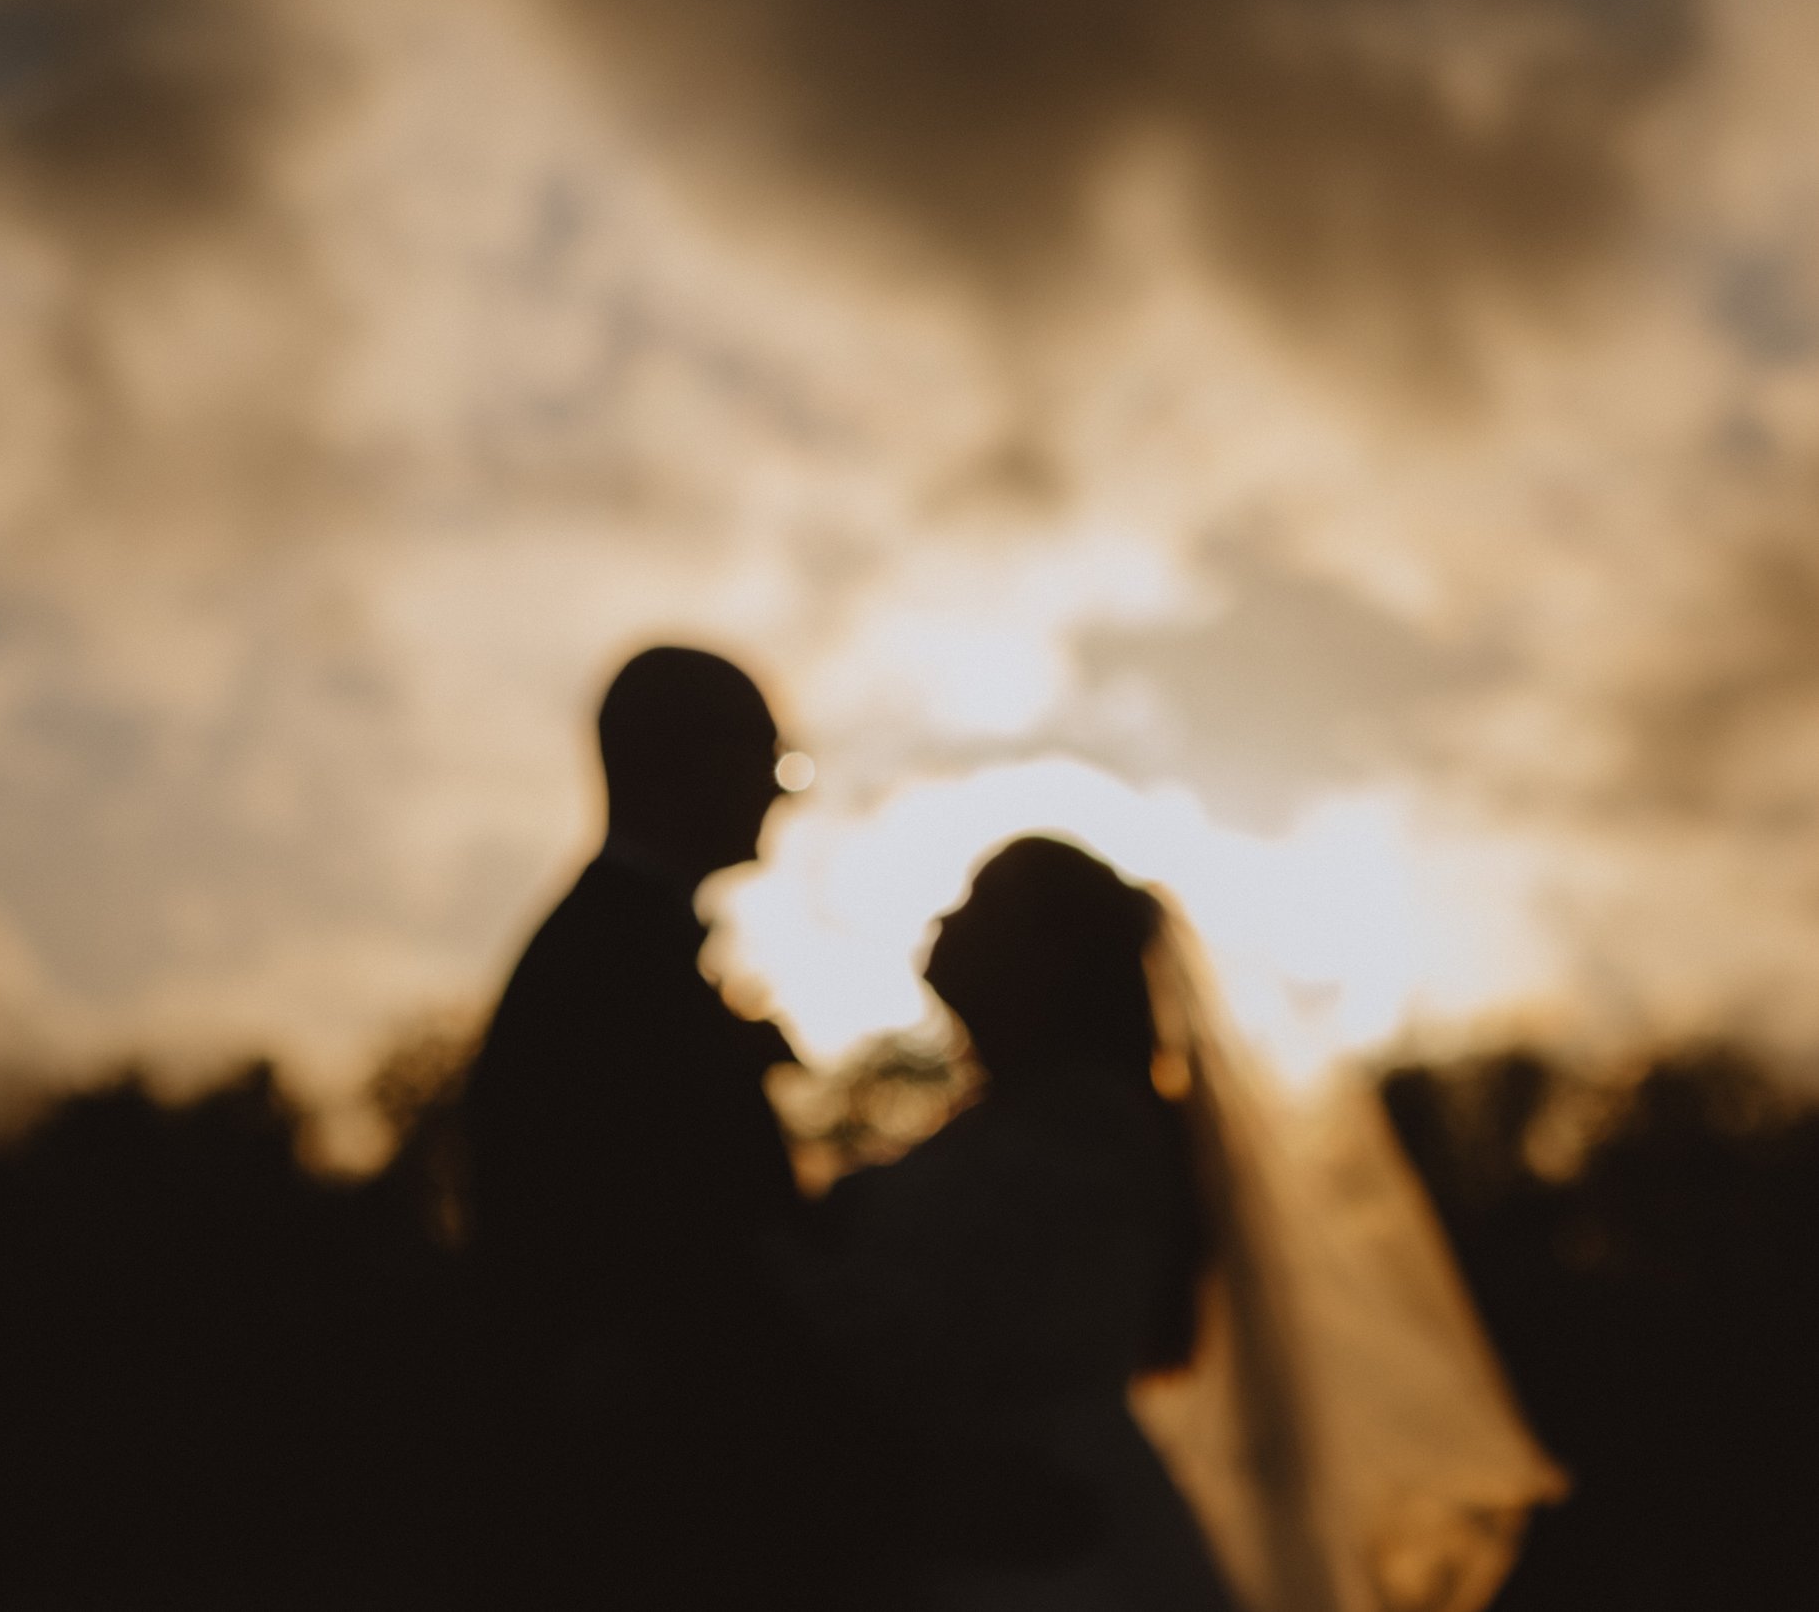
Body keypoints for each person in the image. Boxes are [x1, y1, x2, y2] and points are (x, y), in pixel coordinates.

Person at [793, 836, 1563, 1612]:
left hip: (1042, 1534)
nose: (945, 917)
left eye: (979, 901)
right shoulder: (1039, 1124)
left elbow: (925, 1322)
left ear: (1051, 956)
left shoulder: (1087, 1134)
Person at [460, 645, 815, 1609]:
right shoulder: (605, 971)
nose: (785, 794)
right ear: (682, 761)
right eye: (774, 762)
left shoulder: (616, 950)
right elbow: (665, 1256)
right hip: (643, 1515)